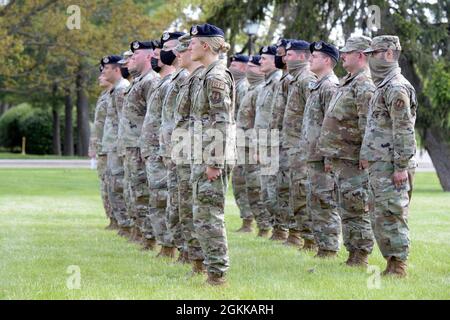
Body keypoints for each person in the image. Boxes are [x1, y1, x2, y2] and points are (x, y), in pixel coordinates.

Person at [360, 36, 417, 277]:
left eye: (374, 53)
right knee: (379, 215)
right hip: (379, 164)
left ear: (390, 54)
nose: (370, 59)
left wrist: (401, 167)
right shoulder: (383, 86)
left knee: (392, 213)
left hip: (392, 166)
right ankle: (391, 264)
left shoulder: (396, 87)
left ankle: (399, 266)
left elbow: (404, 130)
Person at [318, 36, 376, 267]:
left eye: (347, 53)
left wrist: (365, 154)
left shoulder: (364, 84)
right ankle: (352, 253)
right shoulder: (348, 82)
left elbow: (367, 122)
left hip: (354, 158)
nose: (342, 56)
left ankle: (361, 255)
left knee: (356, 207)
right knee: (346, 207)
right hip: (342, 157)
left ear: (360, 55)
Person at [188, 23, 234, 286]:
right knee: (202, 214)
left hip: (211, 158)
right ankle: (211, 270)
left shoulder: (216, 76)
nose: (190, 47)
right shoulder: (206, 74)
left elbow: (221, 121)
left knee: (209, 215)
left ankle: (217, 276)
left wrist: (215, 161)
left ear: (205, 45)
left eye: (193, 43)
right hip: (201, 154)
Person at [301, 41, 341, 258]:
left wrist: (328, 157)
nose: (310, 59)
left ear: (327, 60)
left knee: (325, 201)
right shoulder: (317, 85)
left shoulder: (329, 87)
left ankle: (329, 248)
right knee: (315, 201)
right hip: (313, 156)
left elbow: (331, 124)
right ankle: (323, 246)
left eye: (314, 56)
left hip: (323, 157)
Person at [119, 40, 159, 244]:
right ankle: (139, 231)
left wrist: (148, 147)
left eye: (135, 56)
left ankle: (150, 236)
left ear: (146, 57)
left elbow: (153, 117)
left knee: (144, 192)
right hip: (131, 145)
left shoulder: (151, 81)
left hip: (142, 145)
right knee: (134, 190)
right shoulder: (138, 81)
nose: (130, 60)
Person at [172, 33, 206, 272]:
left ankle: (208, 268)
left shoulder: (209, 78)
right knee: (186, 206)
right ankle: (191, 256)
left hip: (200, 153)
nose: (177, 55)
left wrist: (213, 159)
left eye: (184, 49)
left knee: (202, 209)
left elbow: (220, 121)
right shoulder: (191, 79)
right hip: (186, 150)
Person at [281, 39, 319, 250]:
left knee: (303, 191)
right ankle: (304, 236)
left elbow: (313, 115)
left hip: (303, 148)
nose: (286, 58)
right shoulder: (294, 80)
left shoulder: (306, 80)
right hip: (293, 146)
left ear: (303, 57)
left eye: (290, 55)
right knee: (295, 192)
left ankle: (312, 239)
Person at [139, 38, 175, 253]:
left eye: (160, 51)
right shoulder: (161, 82)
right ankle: (163, 242)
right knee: (156, 197)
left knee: (164, 198)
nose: (156, 55)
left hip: (165, 151)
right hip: (154, 149)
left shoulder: (171, 82)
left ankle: (169, 245)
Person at [159, 31, 190, 261]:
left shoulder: (186, 78)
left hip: (184, 151)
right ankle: (179, 248)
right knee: (174, 203)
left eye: (172, 47)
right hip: (172, 150)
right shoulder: (174, 79)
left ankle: (188, 251)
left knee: (185, 204)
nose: (168, 52)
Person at [100, 55, 132, 235]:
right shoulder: (115, 90)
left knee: (121, 186)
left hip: (120, 146)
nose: (103, 72)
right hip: (113, 146)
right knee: (114, 185)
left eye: (106, 69)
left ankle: (127, 225)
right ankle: (122, 224)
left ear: (116, 70)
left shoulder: (122, 89)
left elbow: (124, 121)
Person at [236, 55, 267, 234]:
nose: (248, 70)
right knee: (242, 184)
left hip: (253, 146)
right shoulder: (249, 89)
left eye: (252, 67)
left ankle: (264, 225)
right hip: (242, 144)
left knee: (256, 187)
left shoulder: (260, 90)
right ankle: (247, 222)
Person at [253, 45, 282, 238]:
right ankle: (278, 230)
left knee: (275, 192)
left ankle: (283, 231)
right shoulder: (265, 85)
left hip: (274, 145)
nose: (260, 61)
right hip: (264, 143)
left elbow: (277, 116)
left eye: (264, 58)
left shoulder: (278, 82)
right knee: (267, 191)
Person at [267, 38, 293, 243]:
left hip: (292, 145)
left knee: (292, 189)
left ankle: (296, 233)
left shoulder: (298, 81)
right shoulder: (282, 80)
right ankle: (281, 229)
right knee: (277, 189)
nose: (280, 57)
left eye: (283, 53)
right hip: (277, 142)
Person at [229, 54, 253, 231]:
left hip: (245, 141)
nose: (230, 67)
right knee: (238, 182)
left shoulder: (244, 87)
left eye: (235, 65)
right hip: (236, 140)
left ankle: (249, 221)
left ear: (244, 68)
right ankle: (246, 220)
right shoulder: (234, 85)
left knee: (246, 182)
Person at [92, 66, 114, 229]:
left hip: (110, 147)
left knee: (113, 183)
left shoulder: (117, 92)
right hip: (103, 146)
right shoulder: (105, 95)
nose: (100, 77)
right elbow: (99, 125)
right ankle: (112, 218)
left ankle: (117, 220)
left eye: (104, 72)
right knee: (105, 183)